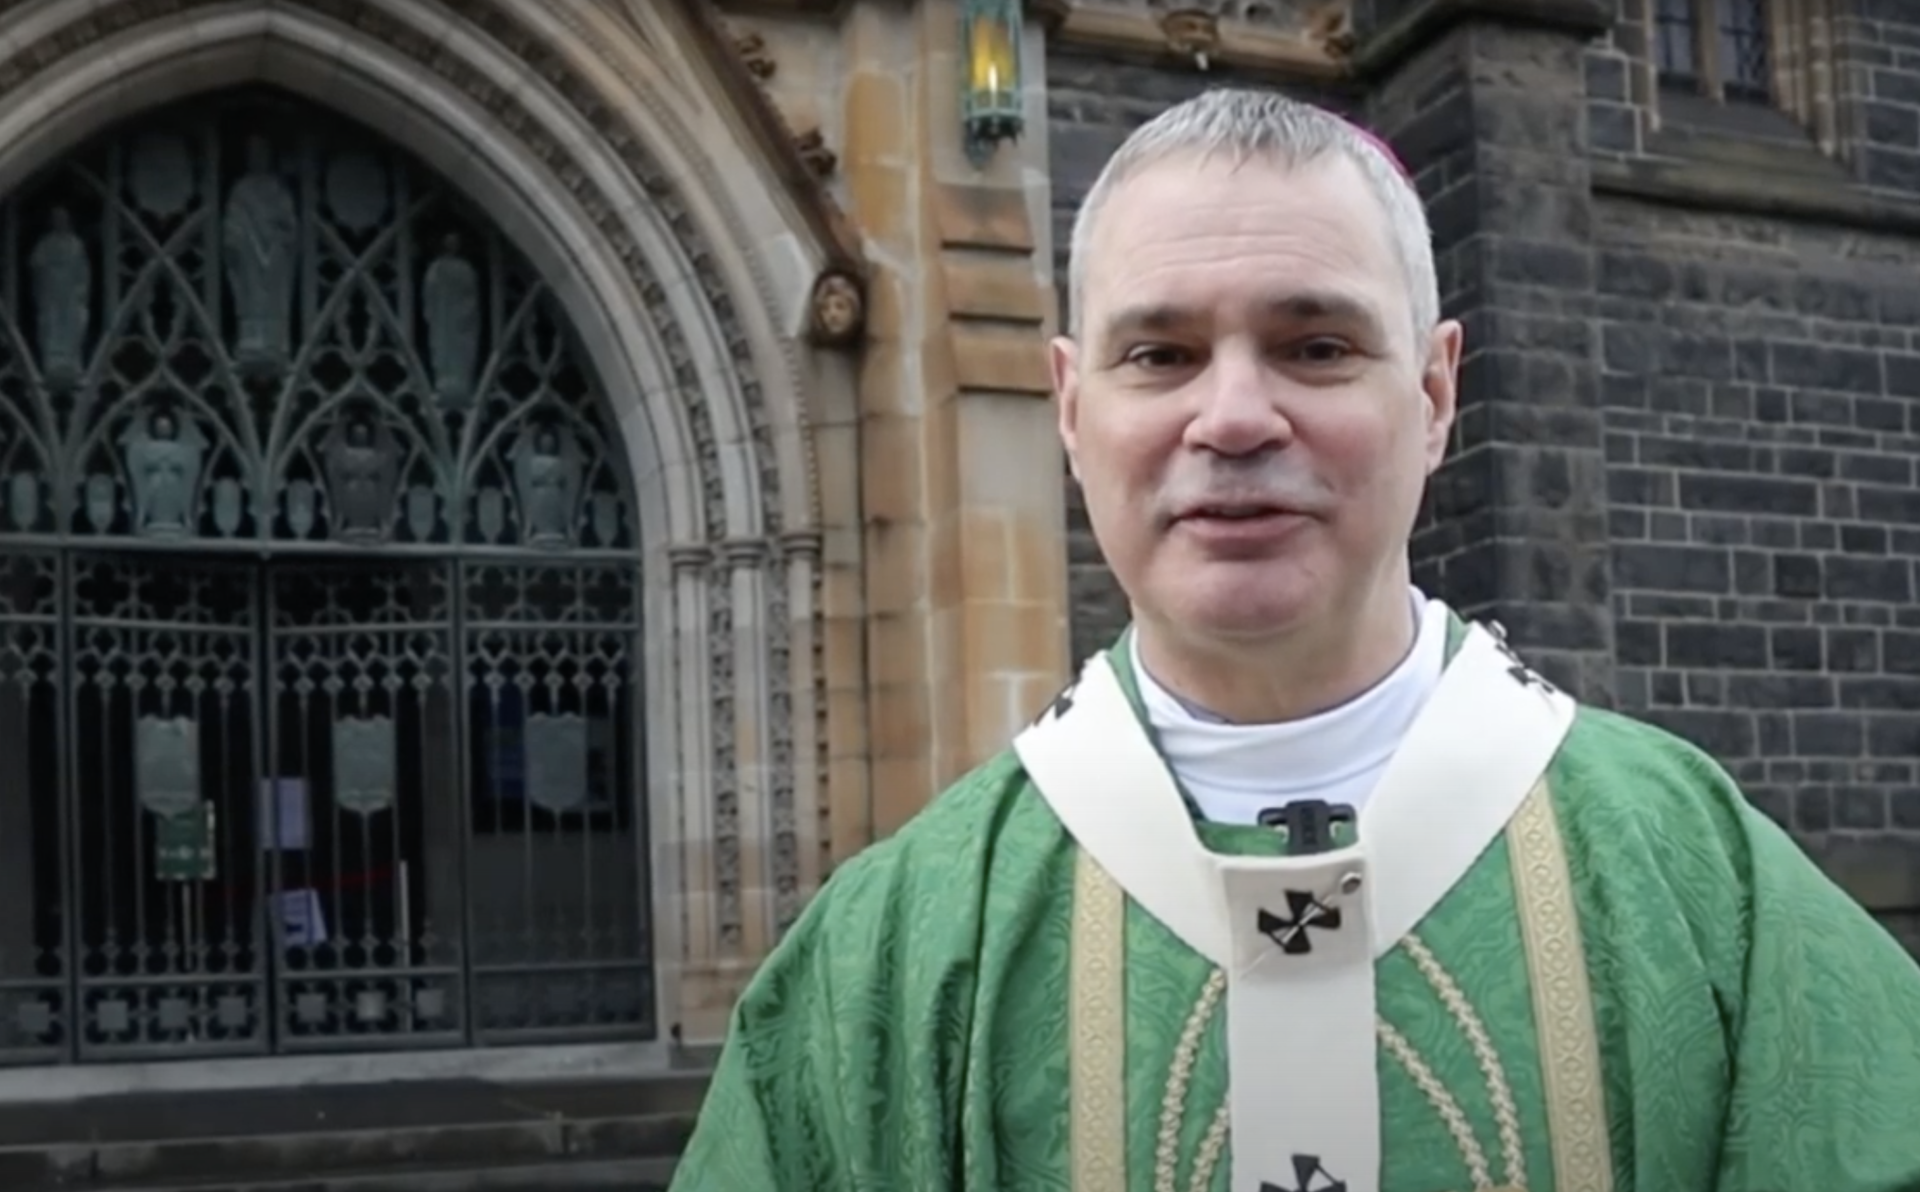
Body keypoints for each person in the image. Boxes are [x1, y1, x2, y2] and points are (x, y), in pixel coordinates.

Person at [668, 88, 1920, 1192]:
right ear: (1069, 404)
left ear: (1433, 397)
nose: (1234, 416)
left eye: (1315, 347)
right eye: (1159, 354)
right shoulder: (894, 948)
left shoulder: (1701, 882)